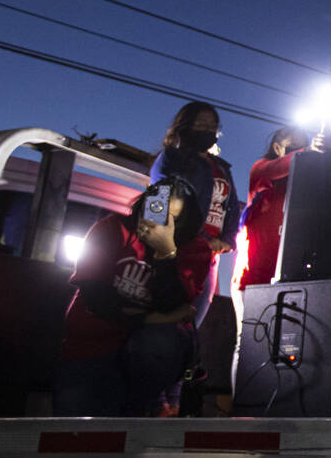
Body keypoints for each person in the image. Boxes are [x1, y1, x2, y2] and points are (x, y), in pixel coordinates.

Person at [53, 177, 212, 416]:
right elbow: (96, 297)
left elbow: (172, 302)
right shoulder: (113, 228)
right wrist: (154, 318)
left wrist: (166, 252)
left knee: (157, 342)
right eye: (155, 211)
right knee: (75, 432)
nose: (159, 223)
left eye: (172, 220)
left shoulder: (195, 249)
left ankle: (148, 406)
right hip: (89, 347)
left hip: (145, 359)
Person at [228, 125, 326, 397]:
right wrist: (310, 150)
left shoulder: (306, 183)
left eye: (302, 144)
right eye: (291, 145)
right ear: (276, 147)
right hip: (252, 273)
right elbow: (283, 165)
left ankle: (275, 400)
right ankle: (242, 405)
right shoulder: (262, 171)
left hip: (288, 273)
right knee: (247, 341)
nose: (297, 149)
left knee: (286, 343)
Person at [150, 101, 240, 325]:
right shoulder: (171, 158)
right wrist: (202, 239)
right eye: (201, 123)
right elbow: (159, 204)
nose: (208, 130)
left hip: (210, 256)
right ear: (185, 125)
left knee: (192, 324)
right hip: (180, 252)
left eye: (213, 126)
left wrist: (227, 239)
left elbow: (231, 208)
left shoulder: (222, 167)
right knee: (167, 320)